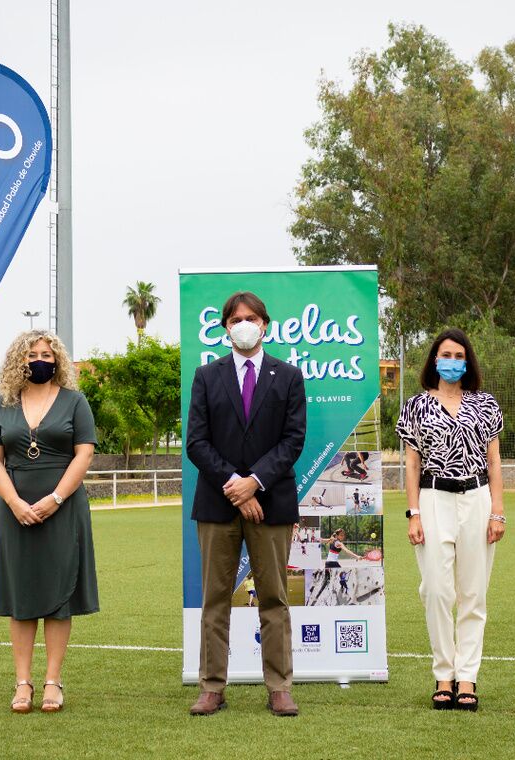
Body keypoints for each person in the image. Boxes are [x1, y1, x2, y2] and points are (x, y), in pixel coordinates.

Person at [186, 291, 307, 717]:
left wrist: (255, 483)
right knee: (215, 599)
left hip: (271, 503)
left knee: (274, 597)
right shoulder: (207, 377)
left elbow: (292, 441)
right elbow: (196, 443)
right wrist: (235, 486)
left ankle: (279, 687)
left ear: (266, 325)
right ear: (225, 328)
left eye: (251, 317)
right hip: (217, 505)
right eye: (236, 318)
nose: (244, 324)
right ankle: (211, 686)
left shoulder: (289, 376)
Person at [0, 331, 98, 714]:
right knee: (22, 597)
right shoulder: (3, 404)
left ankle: (52, 681)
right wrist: (15, 502)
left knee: (59, 596)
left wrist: (55, 499)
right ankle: (22, 682)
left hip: (64, 510)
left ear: (58, 360)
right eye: (32, 354)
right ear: (19, 359)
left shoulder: (75, 401)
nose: (39, 360)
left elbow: (83, 455)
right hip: (13, 512)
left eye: (46, 354)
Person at [396, 328, 505, 711]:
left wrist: (497, 511)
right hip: (432, 498)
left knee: (473, 593)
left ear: (468, 361)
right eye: (446, 354)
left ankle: (467, 677)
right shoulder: (415, 406)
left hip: (476, 498)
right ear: (434, 359)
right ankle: (443, 672)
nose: (453, 362)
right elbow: (411, 464)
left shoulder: (486, 404)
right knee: (437, 590)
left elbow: (494, 462)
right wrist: (413, 514)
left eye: (460, 355)